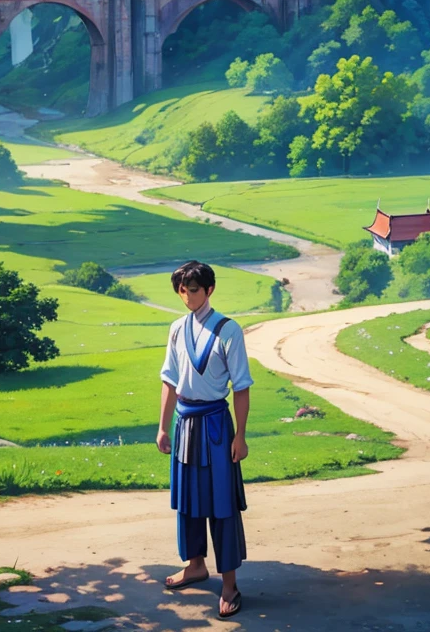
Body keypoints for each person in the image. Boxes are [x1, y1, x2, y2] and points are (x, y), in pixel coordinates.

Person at [157, 259, 253, 619]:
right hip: (184, 423)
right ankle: (195, 564)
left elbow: (241, 387)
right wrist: (163, 427)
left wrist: (240, 436)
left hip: (215, 424)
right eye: (181, 290)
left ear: (209, 290)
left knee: (221, 505)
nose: (187, 296)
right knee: (188, 500)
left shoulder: (229, 330)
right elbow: (169, 379)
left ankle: (230, 585)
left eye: (193, 289)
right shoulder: (176, 329)